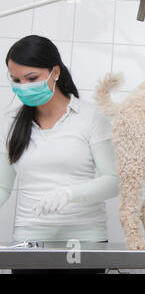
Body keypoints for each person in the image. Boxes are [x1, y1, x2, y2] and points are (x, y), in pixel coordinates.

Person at [0, 35, 120, 274]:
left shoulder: (90, 116)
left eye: (31, 78)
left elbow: (114, 181)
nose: (23, 86)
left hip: (85, 242)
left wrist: (68, 193)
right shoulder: (10, 123)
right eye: (16, 80)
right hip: (29, 243)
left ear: (55, 72)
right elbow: (2, 187)